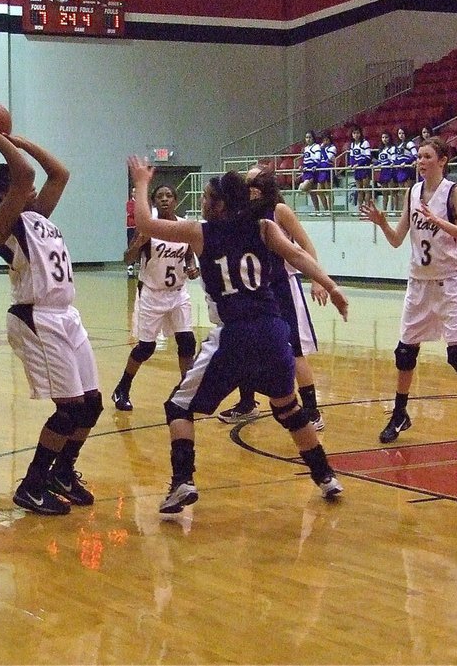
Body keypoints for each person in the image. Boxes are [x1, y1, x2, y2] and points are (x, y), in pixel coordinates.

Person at [127, 158, 349, 513]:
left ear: (220, 205)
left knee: (178, 406)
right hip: (274, 331)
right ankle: (326, 476)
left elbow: (144, 222)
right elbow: (296, 254)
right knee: (288, 407)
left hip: (235, 334)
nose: (201, 205)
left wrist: (140, 182)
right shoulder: (264, 227)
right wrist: (331, 286)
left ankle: (182, 482)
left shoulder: (201, 232)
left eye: (206, 200)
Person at [0, 106, 102, 515]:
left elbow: (59, 173)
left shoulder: (37, 216)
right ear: (4, 193)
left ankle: (63, 472)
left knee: (92, 404)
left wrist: (15, 137)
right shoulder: (2, 225)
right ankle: (31, 485)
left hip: (66, 314)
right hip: (36, 317)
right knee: (70, 409)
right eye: (16, 185)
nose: (28, 187)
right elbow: (25, 175)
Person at [359, 136, 457, 456]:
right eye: (418, 156)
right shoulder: (412, 192)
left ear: (442, 160)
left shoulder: (454, 192)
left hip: (450, 282)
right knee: (404, 353)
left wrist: (440, 221)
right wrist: (382, 223)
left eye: (426, 156)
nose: (420, 161)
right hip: (419, 283)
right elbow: (396, 240)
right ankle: (400, 414)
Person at [218, 167, 328, 430]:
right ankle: (247, 403)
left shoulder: (279, 211)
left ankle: (312, 410)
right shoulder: (244, 214)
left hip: (282, 287)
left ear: (259, 186)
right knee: (247, 346)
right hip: (255, 290)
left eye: (251, 181)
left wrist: (317, 279)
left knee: (295, 350)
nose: (247, 186)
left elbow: (307, 246)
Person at [111, 184, 199, 412]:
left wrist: (192, 268)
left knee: (187, 341)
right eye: (160, 196)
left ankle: (185, 392)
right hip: (152, 293)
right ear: (153, 202)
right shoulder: (147, 229)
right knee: (146, 348)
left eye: (169, 196)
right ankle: (122, 387)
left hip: (178, 293)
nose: (165, 199)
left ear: (176, 200)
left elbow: (189, 257)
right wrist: (137, 244)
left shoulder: (184, 227)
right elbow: (127, 259)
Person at [297, 130, 325, 215]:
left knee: (306, 186)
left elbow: (318, 159)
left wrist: (315, 166)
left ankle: (300, 187)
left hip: (313, 170)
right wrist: (302, 167)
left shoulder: (316, 147)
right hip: (307, 169)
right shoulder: (306, 149)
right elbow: (305, 160)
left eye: (310, 137)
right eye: (306, 138)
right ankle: (317, 210)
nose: (308, 139)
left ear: (313, 138)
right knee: (312, 192)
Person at [392, 127, 418, 212]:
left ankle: (411, 209)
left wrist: (406, 162)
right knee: (402, 191)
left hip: (407, 169)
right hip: (400, 169)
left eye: (403, 133)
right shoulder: (397, 145)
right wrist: (396, 164)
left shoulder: (410, 143)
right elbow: (396, 157)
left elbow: (415, 155)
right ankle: (404, 210)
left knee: (408, 191)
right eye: (399, 133)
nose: (401, 135)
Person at [348, 125, 373, 209]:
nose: (356, 135)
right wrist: (352, 164)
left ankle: (367, 207)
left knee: (366, 189)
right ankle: (360, 208)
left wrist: (358, 164)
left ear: (361, 134)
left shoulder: (365, 143)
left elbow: (368, 157)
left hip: (364, 168)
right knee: (359, 190)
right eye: (354, 133)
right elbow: (351, 157)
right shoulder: (352, 144)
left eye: (358, 133)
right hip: (357, 170)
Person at [375, 131, 395, 212]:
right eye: (383, 138)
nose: (384, 139)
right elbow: (380, 161)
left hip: (390, 170)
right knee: (384, 193)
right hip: (383, 171)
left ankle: (393, 210)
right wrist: (374, 164)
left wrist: (383, 164)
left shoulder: (392, 148)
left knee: (392, 192)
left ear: (389, 138)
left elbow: (393, 160)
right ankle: (384, 210)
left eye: (386, 137)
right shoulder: (381, 149)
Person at [126, 186, 137, 276]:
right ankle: (130, 264)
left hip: (141, 227)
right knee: (131, 245)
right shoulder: (130, 203)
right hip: (132, 227)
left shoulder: (143, 203)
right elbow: (132, 213)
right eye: (134, 192)